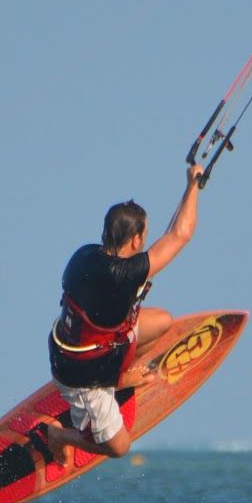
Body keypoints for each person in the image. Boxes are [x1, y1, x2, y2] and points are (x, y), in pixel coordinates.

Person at [38, 162, 203, 462]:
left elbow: (168, 237)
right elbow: (180, 235)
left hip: (77, 345)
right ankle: (58, 434)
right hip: (81, 375)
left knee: (162, 321)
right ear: (136, 240)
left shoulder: (85, 254)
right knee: (119, 447)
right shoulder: (122, 274)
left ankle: (121, 377)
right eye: (145, 236)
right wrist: (193, 185)